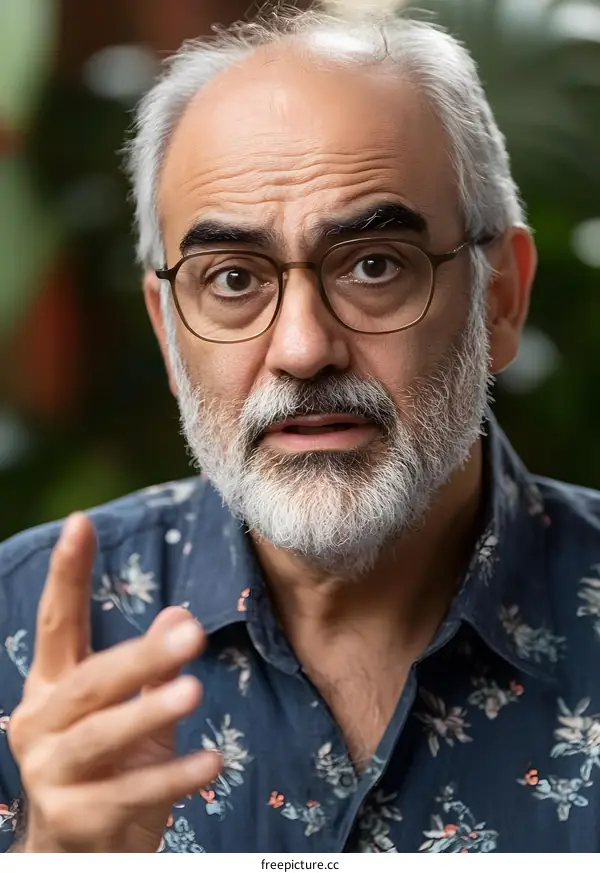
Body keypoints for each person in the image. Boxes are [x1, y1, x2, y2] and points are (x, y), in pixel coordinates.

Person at [1, 3, 599, 855]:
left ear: (499, 297)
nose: (303, 349)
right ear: (168, 330)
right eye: (232, 279)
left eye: (374, 265)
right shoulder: (14, 628)